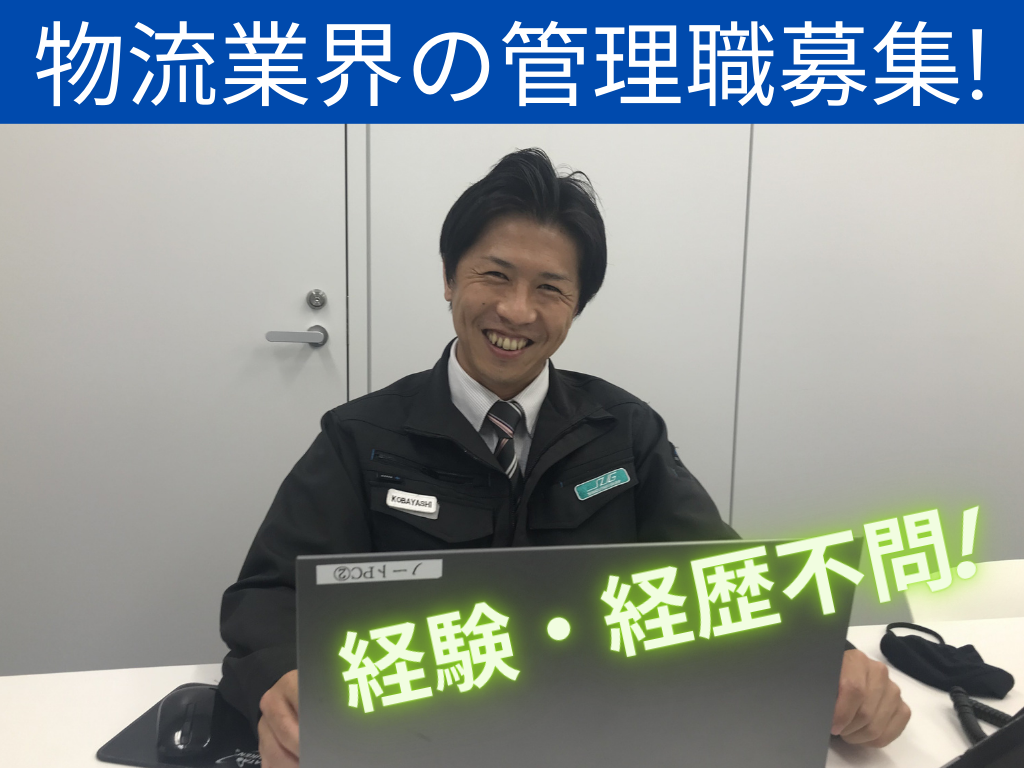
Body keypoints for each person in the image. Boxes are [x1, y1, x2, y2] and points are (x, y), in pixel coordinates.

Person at [219, 149, 911, 767]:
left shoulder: (624, 431)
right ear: (449, 278)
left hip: (600, 734)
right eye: (495, 275)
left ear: (577, 304)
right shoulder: (361, 437)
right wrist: (282, 681)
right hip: (416, 736)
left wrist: (832, 661)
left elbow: (724, 575)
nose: (518, 311)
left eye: (550, 288)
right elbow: (268, 596)